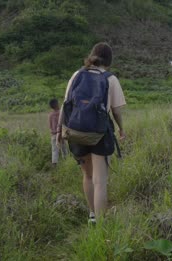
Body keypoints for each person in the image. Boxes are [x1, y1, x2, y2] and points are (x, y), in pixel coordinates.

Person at [57, 43, 126, 224]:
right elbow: (117, 111)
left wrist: (59, 131)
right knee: (100, 181)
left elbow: (66, 105)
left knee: (87, 175)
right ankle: (102, 225)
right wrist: (121, 128)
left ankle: (92, 215)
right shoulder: (111, 79)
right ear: (109, 60)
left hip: (76, 129)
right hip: (99, 132)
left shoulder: (77, 75)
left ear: (92, 56)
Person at [49, 98, 67, 166]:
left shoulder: (50, 115)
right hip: (62, 134)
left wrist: (53, 132)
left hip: (54, 134)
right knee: (64, 148)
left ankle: (54, 163)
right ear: (57, 105)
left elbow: (50, 126)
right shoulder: (61, 113)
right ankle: (66, 160)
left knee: (54, 149)